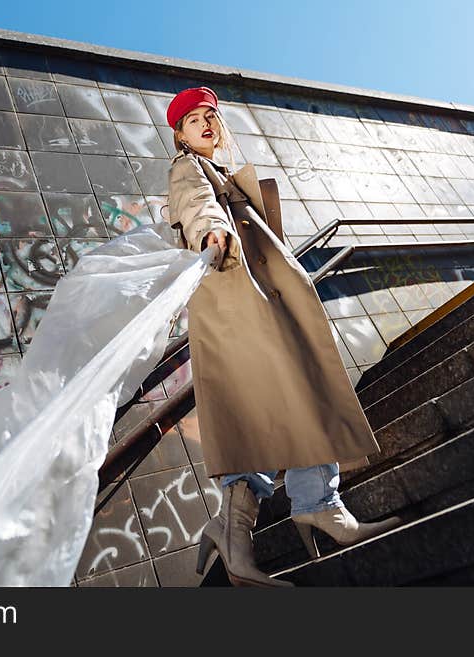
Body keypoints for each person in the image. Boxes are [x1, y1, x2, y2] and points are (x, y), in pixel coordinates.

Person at [165, 87, 400, 587]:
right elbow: (195, 204)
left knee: (290, 396)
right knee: (274, 400)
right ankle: (298, 512)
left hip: (255, 300)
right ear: (179, 134)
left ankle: (296, 512)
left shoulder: (224, 172)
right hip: (238, 302)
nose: (206, 123)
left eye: (211, 116)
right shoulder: (188, 168)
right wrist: (211, 231)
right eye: (193, 120)